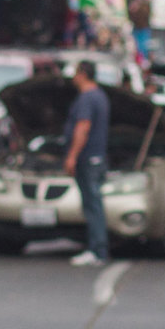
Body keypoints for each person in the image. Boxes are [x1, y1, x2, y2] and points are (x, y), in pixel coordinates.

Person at [60, 60, 111, 268]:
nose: (73, 77)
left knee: (92, 205)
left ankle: (97, 250)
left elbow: (83, 128)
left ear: (82, 74)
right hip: (98, 157)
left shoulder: (87, 99)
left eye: (75, 73)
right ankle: (97, 247)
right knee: (94, 204)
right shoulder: (101, 96)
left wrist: (72, 156)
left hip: (88, 158)